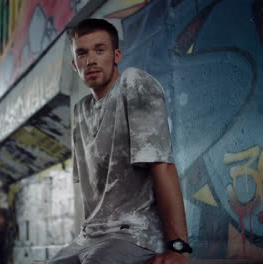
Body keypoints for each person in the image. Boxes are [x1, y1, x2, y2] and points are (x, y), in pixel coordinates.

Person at [47, 19, 192, 264]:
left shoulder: (133, 83)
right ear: (74, 64)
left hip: (134, 234)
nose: (90, 60)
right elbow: (89, 193)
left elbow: (163, 167)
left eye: (99, 50)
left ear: (116, 56)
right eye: (82, 53)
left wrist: (178, 248)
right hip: (89, 237)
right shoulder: (80, 110)